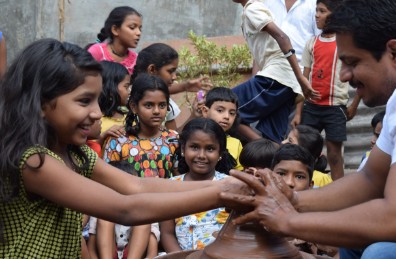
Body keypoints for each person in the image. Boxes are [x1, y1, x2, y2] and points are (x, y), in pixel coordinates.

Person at [221, 0, 396, 258]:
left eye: (351, 62)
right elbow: (370, 180)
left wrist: (287, 221)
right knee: (355, 237)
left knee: (382, 254)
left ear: (394, 52)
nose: (344, 75)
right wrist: (289, 198)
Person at [0, 38, 244, 258]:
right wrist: (222, 193)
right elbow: (125, 209)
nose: (96, 112)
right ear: (41, 102)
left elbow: (136, 185)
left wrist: (223, 185)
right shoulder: (33, 162)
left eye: (97, 100)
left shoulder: (76, 154)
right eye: (84, 101)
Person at [101, 74, 181, 258]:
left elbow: (178, 177)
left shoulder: (173, 139)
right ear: (134, 107)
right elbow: (107, 182)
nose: (156, 111)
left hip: (166, 209)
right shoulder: (119, 141)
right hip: (127, 211)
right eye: (148, 105)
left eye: (162, 105)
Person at [230, 0, 320, 144]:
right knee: (272, 135)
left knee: (223, 106)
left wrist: (301, 78)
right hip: (285, 82)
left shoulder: (252, 9)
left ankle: (268, 148)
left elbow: (282, 37)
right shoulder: (253, 9)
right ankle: (273, 151)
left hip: (277, 76)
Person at [293, 0, 360, 180]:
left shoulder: (344, 43)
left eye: (322, 11)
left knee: (334, 154)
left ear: (335, 15)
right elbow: (304, 80)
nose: (316, 15)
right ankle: (303, 186)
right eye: (316, 10)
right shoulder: (311, 44)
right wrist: (298, 112)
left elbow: (359, 74)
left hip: (335, 107)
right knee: (303, 151)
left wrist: (354, 105)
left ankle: (340, 193)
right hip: (311, 107)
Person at [160, 118, 235, 252]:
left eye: (210, 149)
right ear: (183, 149)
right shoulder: (171, 187)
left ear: (220, 153)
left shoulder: (230, 186)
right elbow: (167, 233)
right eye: (194, 147)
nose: (201, 155)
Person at [133, 43, 212, 131]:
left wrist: (194, 116)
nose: (174, 77)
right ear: (152, 69)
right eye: (170, 71)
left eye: (162, 105)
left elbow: (173, 138)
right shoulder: (127, 98)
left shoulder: (167, 103)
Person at [263, 0, 320, 68]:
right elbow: (261, 40)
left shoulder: (315, 4)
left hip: (302, 69)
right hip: (269, 68)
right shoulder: (268, 2)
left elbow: (321, 43)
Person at [87, 6, 141, 74]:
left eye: (140, 29)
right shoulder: (97, 52)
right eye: (132, 27)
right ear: (115, 30)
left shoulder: (136, 60)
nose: (139, 33)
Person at [201, 87, 243, 170]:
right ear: (205, 111)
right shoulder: (195, 138)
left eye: (231, 113)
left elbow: (239, 172)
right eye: (220, 110)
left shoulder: (236, 143)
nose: (227, 117)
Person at [98, 61, 131, 142]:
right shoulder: (95, 120)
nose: (129, 91)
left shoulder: (130, 115)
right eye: (126, 87)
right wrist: (103, 137)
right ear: (110, 88)